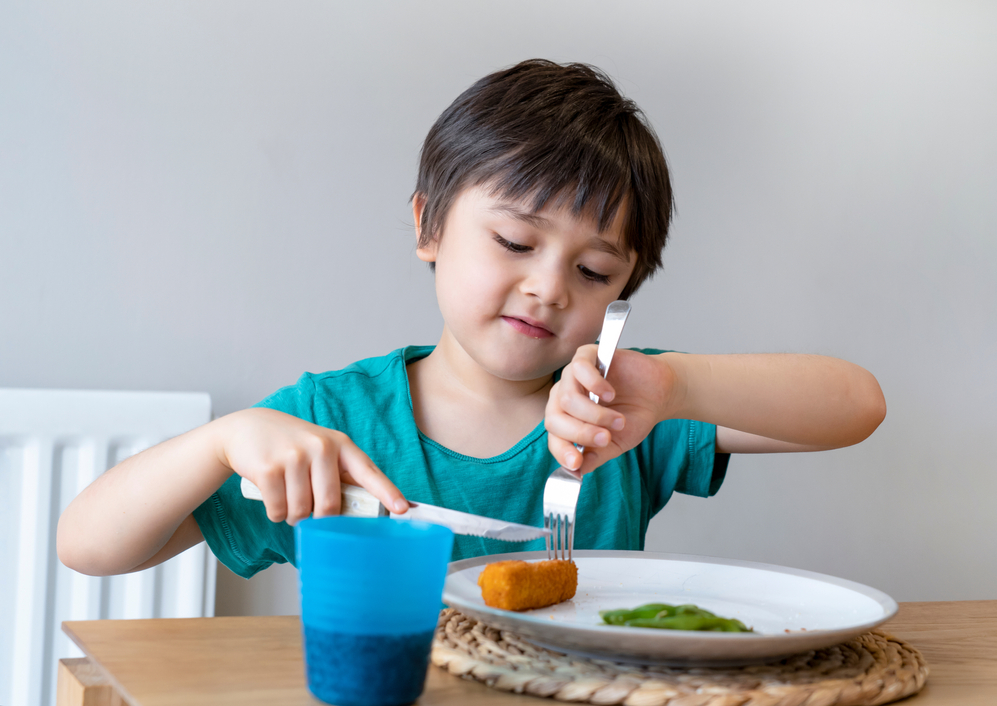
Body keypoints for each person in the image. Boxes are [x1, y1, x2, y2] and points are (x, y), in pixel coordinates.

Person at [57, 60, 885, 578]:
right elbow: (89, 548)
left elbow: (856, 405)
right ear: (428, 226)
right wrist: (222, 439)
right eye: (515, 241)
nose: (549, 287)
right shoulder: (330, 425)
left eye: (594, 270)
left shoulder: (623, 411)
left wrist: (674, 387)